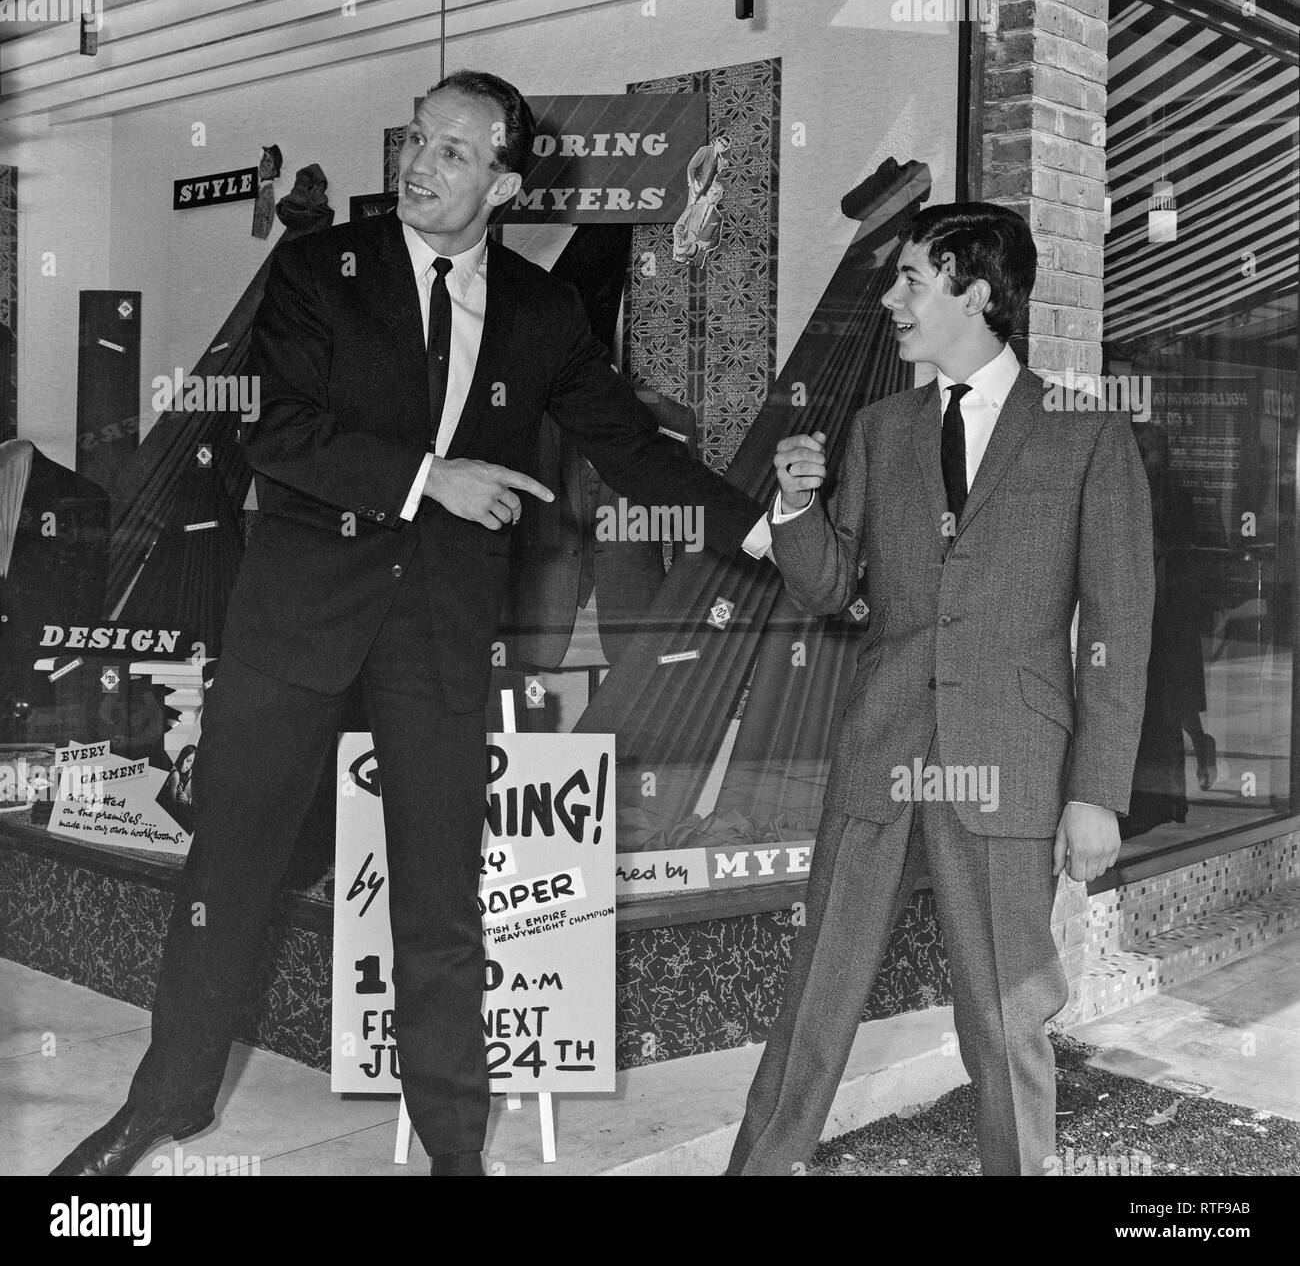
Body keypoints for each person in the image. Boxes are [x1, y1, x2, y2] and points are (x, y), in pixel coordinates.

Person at [53, 69, 766, 1177]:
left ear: (504, 184)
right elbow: (274, 431)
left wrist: (763, 530)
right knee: (227, 872)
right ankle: (162, 1106)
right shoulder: (318, 271)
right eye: (419, 139)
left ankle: (452, 1147)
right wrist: (432, 478)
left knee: (438, 899)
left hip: (434, 630)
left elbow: (630, 447)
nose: (420, 164)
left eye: (452, 150)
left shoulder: (542, 313)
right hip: (294, 622)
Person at [727, 201, 1154, 1176]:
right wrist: (794, 505)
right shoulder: (880, 430)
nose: (892, 299)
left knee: (1006, 1015)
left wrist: (1096, 790)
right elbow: (830, 587)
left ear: (976, 293)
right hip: (881, 748)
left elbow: (1117, 623)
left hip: (1011, 756)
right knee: (814, 1000)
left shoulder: (1087, 431)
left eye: (913, 280)